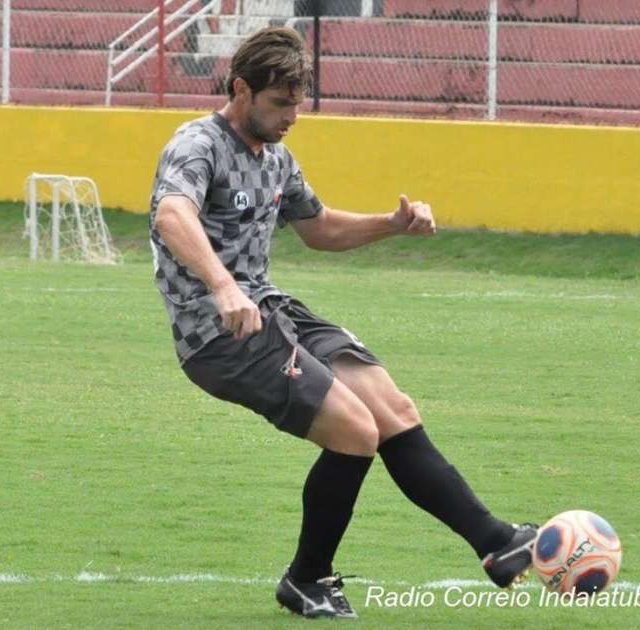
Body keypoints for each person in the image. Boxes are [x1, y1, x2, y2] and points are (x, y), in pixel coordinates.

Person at [148, 26, 537, 620]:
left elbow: (320, 227)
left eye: (299, 105)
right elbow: (173, 213)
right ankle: (306, 579)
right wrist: (223, 285)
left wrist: (392, 223)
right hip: (220, 335)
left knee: (393, 408)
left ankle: (495, 542)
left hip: (273, 310)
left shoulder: (276, 157)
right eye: (281, 104)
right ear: (241, 89)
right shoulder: (197, 144)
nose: (292, 117)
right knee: (355, 433)